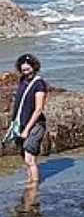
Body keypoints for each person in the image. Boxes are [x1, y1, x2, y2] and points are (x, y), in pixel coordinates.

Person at [9, 54, 48, 183]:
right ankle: (30, 180)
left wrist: (26, 129)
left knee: (29, 158)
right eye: (23, 70)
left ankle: (34, 186)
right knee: (24, 156)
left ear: (34, 67)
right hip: (21, 123)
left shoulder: (39, 84)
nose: (26, 72)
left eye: (28, 69)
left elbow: (38, 110)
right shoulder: (23, 81)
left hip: (35, 125)